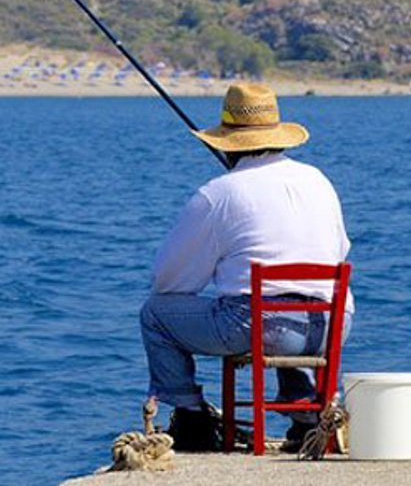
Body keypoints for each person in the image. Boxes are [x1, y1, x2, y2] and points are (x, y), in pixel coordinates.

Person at [140, 82, 353, 451]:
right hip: (332, 321)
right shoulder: (318, 180)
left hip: (262, 325)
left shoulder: (219, 193)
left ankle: (192, 418)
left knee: (155, 314)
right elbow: (340, 250)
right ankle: (306, 420)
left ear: (226, 142)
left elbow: (167, 279)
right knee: (291, 304)